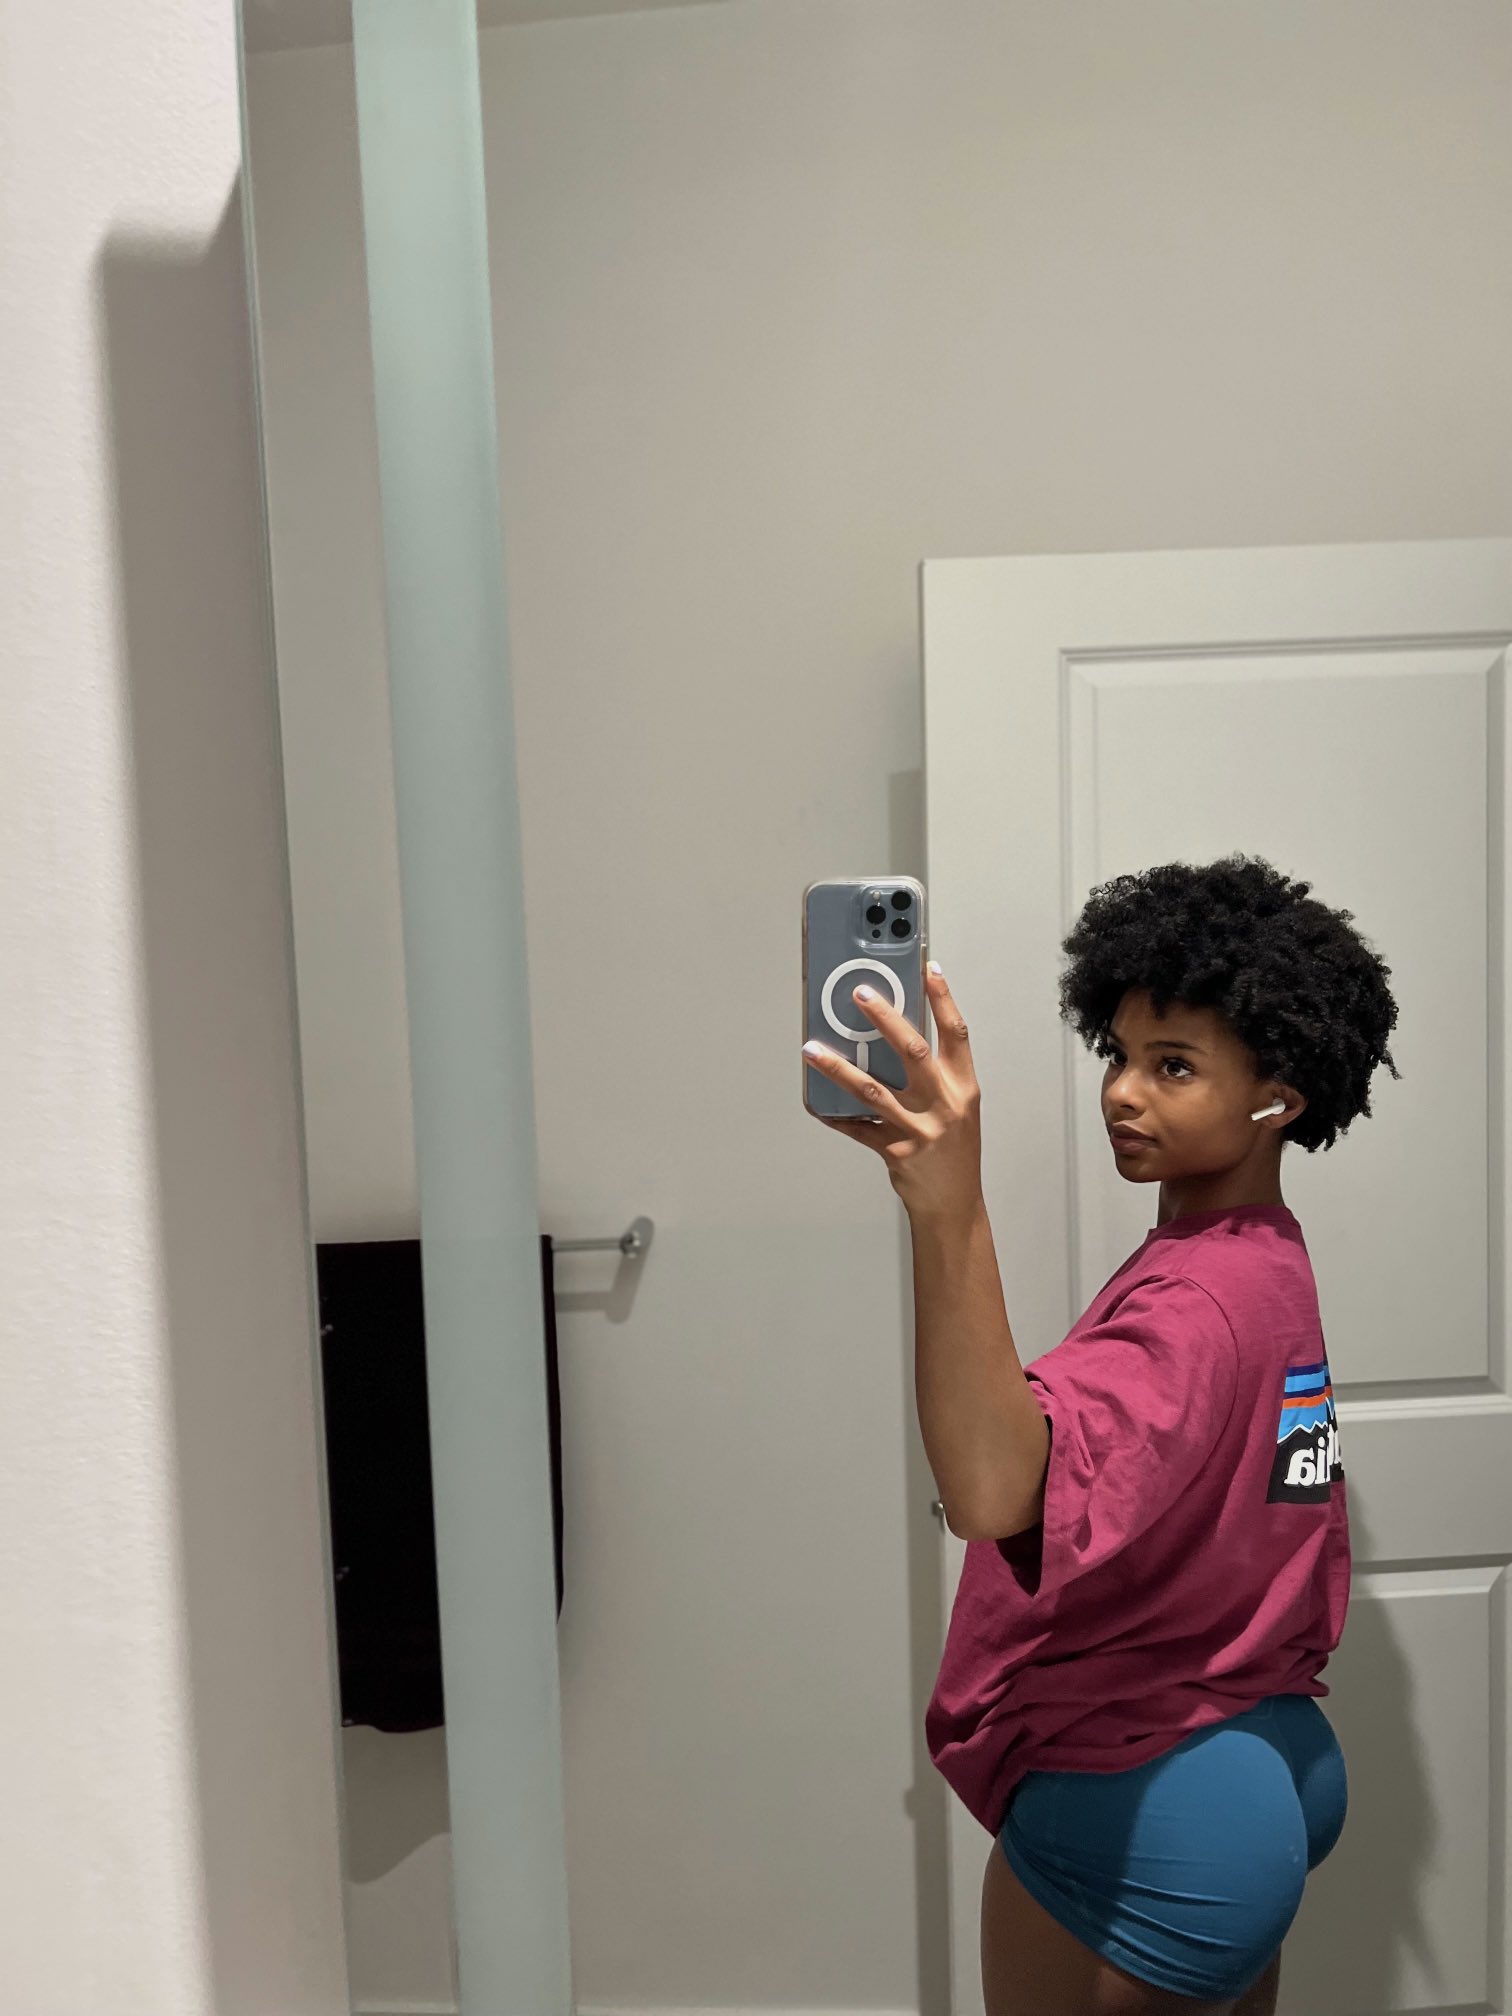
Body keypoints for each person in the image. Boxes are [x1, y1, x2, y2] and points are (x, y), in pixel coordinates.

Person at [802, 853, 1400, 2015]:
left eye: (1174, 1066)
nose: (1123, 1092)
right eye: (1119, 1054)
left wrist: (947, 1207)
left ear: (1279, 1098)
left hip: (1144, 1777)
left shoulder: (1192, 1305)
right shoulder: (1267, 1259)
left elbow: (992, 1492)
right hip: (1263, 1751)